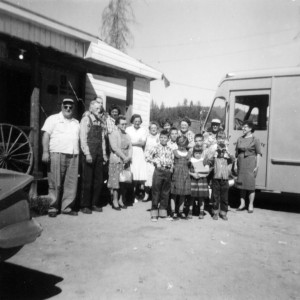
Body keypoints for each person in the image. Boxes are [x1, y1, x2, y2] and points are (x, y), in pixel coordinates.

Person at [41, 98, 80, 217]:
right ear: (62, 107)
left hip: (73, 154)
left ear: (73, 108)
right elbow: (46, 135)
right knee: (55, 181)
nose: (68, 109)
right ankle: (52, 207)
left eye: (70, 107)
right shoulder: (53, 119)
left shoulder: (76, 122)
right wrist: (45, 152)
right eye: (66, 106)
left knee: (71, 183)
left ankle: (66, 207)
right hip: (57, 153)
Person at [80, 100, 108, 214]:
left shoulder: (101, 122)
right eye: (97, 109)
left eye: (100, 109)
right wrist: (87, 153)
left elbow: (102, 140)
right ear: (91, 109)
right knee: (87, 180)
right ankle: (85, 205)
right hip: (89, 152)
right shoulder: (86, 119)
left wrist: (104, 154)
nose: (99, 110)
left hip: (99, 153)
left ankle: (94, 203)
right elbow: (83, 138)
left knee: (99, 180)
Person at [145, 130, 174, 221]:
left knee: (165, 192)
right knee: (156, 191)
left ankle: (163, 212)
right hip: (158, 171)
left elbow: (172, 160)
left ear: (168, 139)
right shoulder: (155, 147)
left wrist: (171, 167)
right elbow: (147, 156)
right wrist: (155, 162)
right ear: (159, 138)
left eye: (165, 138)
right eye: (161, 137)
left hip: (167, 171)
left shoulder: (170, 149)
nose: (163, 139)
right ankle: (154, 213)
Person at [235, 121, 262, 213]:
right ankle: (242, 204)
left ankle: (250, 204)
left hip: (251, 163)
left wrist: (257, 166)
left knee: (250, 185)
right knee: (241, 184)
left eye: (245, 127)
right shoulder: (239, 139)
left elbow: (258, 154)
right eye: (243, 127)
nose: (243, 128)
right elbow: (236, 153)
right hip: (241, 162)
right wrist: (235, 163)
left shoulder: (255, 139)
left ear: (250, 129)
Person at [208, 131, 234, 220]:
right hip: (216, 175)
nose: (221, 140)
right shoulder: (214, 148)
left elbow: (231, 160)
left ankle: (223, 212)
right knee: (215, 195)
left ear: (225, 139)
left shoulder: (227, 149)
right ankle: (215, 212)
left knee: (224, 196)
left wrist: (230, 156)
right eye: (219, 138)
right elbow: (209, 159)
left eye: (223, 138)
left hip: (225, 176)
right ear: (216, 139)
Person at [108, 115, 132, 210]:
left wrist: (129, 157)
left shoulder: (127, 135)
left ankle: (121, 200)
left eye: (125, 124)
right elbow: (114, 147)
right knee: (116, 181)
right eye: (122, 124)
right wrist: (124, 157)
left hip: (126, 161)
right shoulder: (113, 133)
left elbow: (130, 147)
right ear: (117, 124)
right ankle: (115, 201)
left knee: (124, 181)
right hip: (117, 159)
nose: (124, 126)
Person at [126, 114, 147, 202]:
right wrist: (136, 142)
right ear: (132, 121)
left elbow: (142, 143)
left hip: (139, 153)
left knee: (137, 175)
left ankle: (135, 195)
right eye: (135, 121)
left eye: (138, 121)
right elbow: (127, 141)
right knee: (130, 173)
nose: (137, 123)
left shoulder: (143, 130)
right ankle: (129, 195)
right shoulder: (128, 129)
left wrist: (132, 142)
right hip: (130, 152)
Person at [170, 135, 192, 219]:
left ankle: (181, 210)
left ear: (186, 145)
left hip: (185, 175)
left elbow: (190, 165)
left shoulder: (189, 153)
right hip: (176, 174)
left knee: (183, 194)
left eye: (183, 145)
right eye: (180, 145)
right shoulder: (175, 152)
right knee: (174, 193)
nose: (181, 147)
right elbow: (171, 162)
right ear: (177, 144)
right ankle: (172, 211)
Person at [188, 145, 210, 219]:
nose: (198, 155)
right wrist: (192, 174)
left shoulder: (204, 160)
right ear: (193, 153)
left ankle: (201, 211)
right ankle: (190, 211)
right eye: (196, 153)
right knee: (192, 197)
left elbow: (207, 170)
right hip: (193, 180)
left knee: (201, 197)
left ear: (201, 153)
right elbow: (187, 170)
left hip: (202, 180)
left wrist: (198, 171)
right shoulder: (190, 160)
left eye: (199, 153)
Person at [144, 121, 160, 202]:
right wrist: (146, 156)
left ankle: (154, 196)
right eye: (152, 128)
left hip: (155, 160)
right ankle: (146, 195)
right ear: (149, 129)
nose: (153, 129)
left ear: (157, 129)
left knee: (155, 178)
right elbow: (145, 147)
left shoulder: (159, 137)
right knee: (147, 177)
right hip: (147, 159)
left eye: (155, 128)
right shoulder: (147, 137)